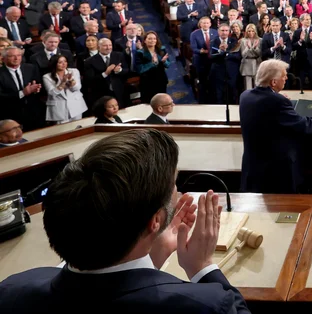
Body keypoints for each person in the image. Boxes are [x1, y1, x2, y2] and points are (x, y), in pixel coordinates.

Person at [0, 129, 251, 313]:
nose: (177, 190)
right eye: (174, 184)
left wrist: (154, 253)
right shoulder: (206, 306)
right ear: (155, 220)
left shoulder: (12, 290)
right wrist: (202, 266)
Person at [239, 60, 312, 193]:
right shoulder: (277, 101)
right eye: (284, 76)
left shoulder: (245, 96)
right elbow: (300, 124)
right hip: (274, 170)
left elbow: (267, 113)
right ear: (273, 82)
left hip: (252, 165)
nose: (286, 78)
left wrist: (276, 96)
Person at [0, 46, 44, 130]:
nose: (16, 58)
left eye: (19, 55)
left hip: (33, 111)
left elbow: (39, 84)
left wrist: (37, 89)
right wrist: (22, 93)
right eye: (12, 56)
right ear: (3, 59)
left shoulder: (31, 68)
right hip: (11, 114)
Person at [43, 55, 88, 124]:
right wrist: (63, 82)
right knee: (63, 131)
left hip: (76, 106)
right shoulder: (47, 77)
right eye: (60, 62)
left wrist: (72, 83)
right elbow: (52, 94)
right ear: (54, 64)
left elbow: (78, 88)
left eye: (65, 61)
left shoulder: (74, 71)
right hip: (59, 109)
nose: (64, 64)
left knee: (78, 128)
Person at [137, 32, 170, 104]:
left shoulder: (162, 49)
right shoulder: (140, 53)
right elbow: (140, 69)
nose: (152, 40)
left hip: (161, 80)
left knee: (161, 102)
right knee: (149, 103)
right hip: (147, 82)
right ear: (145, 40)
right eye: (150, 39)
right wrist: (152, 64)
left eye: (154, 39)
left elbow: (168, 64)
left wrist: (164, 62)